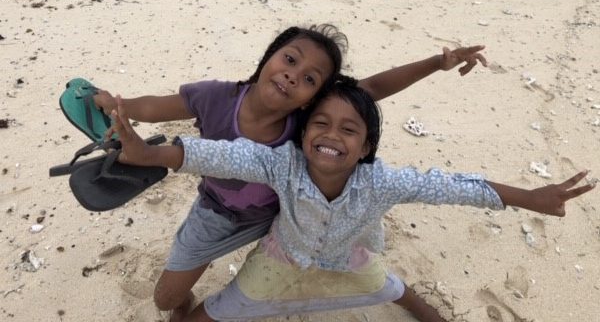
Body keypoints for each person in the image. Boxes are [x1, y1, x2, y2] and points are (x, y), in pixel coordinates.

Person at [110, 78, 595, 322]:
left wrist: (531, 197)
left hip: (348, 257)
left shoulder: (381, 181)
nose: (330, 136)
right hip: (281, 257)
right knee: (211, 313)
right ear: (302, 137)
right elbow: (219, 155)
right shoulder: (280, 164)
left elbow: (454, 185)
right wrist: (153, 153)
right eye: (319, 125)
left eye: (348, 130)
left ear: (365, 147)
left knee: (391, 288)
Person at [94, 24, 487, 320]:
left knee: (338, 255)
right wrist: (115, 106)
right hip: (215, 212)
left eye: (311, 79)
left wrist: (438, 63)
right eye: (290, 59)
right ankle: (186, 306)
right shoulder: (215, 97)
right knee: (165, 299)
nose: (293, 75)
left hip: (277, 219)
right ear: (269, 56)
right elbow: (153, 108)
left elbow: (372, 87)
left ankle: (395, 292)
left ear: (316, 97)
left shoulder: (303, 122)